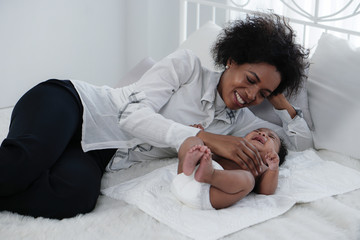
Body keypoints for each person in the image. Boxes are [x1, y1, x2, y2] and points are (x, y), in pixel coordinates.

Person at [0, 13, 311, 219]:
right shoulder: (186, 67)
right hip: (75, 105)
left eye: (263, 94)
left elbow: (302, 144)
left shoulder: (241, 124)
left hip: (97, 152)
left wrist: (283, 105)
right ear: (232, 60)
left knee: (75, 197)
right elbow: (131, 115)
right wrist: (201, 137)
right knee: (26, 160)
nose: (251, 95)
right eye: (251, 79)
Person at [172, 127, 287, 210]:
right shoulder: (231, 146)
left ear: (276, 154)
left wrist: (273, 169)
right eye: (257, 131)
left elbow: (266, 191)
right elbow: (212, 145)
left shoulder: (263, 168)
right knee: (193, 139)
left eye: (271, 137)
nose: (262, 134)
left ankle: (210, 175)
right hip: (185, 177)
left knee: (248, 180)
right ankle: (190, 162)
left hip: (211, 193)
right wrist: (202, 137)